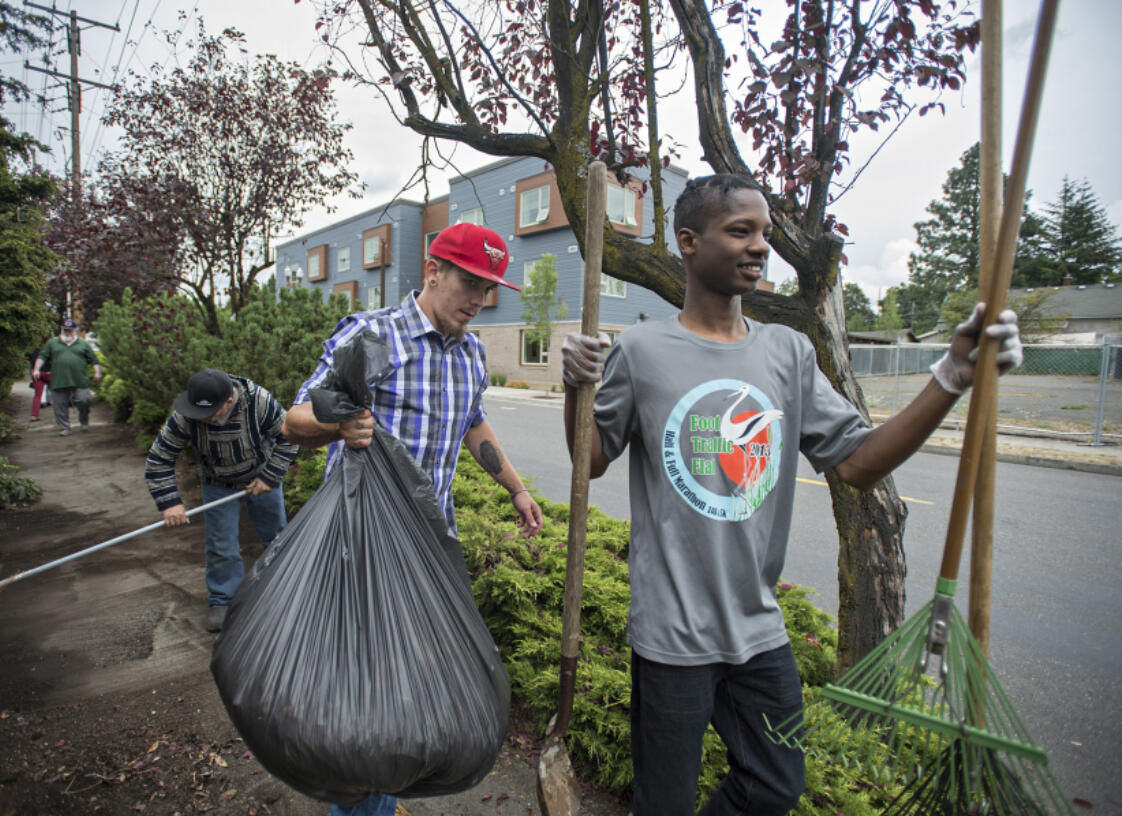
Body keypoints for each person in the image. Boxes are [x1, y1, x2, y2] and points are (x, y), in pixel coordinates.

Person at [559, 174, 1023, 816]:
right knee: (662, 802)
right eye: (740, 231)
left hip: (757, 628)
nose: (760, 248)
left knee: (775, 784)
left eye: (766, 234)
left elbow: (859, 464)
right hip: (672, 633)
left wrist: (952, 376)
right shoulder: (641, 351)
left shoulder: (789, 351)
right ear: (689, 242)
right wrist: (576, 389)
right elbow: (590, 462)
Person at [283, 221, 544, 816]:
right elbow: (294, 419)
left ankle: (375, 796)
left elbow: (473, 422)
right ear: (433, 271)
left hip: (431, 551)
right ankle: (360, 806)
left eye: (489, 288)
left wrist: (517, 489)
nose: (480, 300)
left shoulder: (472, 352)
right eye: (470, 283)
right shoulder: (374, 335)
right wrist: (338, 425)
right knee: (366, 691)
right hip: (363, 547)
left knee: (404, 684)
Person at [145, 368, 299, 633]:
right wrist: (169, 502)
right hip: (217, 481)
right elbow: (159, 459)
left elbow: (290, 437)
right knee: (221, 542)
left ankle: (285, 589)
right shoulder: (186, 415)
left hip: (260, 477)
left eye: (208, 412)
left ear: (229, 401)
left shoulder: (258, 402)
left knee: (276, 537)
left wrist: (270, 476)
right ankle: (223, 600)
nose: (201, 418)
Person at [32, 318, 101, 436]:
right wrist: (36, 369)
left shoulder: (83, 343)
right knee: (59, 405)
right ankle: (65, 427)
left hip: (79, 379)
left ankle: (83, 420)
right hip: (59, 380)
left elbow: (93, 360)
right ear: (61, 330)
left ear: (75, 330)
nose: (67, 332)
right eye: (65, 330)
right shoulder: (52, 343)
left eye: (70, 330)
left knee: (84, 400)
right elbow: (42, 356)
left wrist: (97, 372)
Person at [26, 342, 52, 421]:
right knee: (58, 392)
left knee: (37, 395)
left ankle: (34, 415)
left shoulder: (36, 350)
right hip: (48, 373)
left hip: (37, 373)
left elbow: (32, 362)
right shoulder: (51, 350)